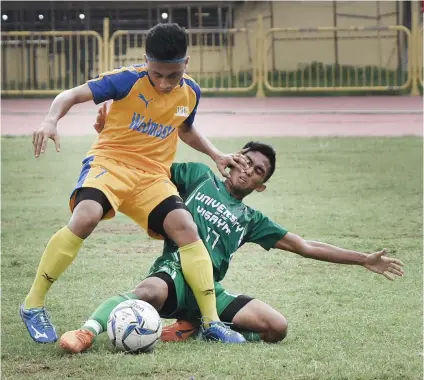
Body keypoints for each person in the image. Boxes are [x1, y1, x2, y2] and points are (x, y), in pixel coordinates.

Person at [59, 135, 404, 352]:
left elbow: (304, 246)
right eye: (247, 161)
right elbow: (149, 167)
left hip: (212, 290)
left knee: (276, 328)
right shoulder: (197, 176)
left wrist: (362, 259)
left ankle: (198, 329)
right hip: (175, 274)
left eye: (258, 172)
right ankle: (87, 331)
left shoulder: (252, 220)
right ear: (234, 158)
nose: (248, 170)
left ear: (261, 186)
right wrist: (106, 133)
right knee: (147, 292)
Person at [20, 23, 248, 344]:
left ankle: (211, 322)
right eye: (157, 74)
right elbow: (70, 95)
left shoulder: (191, 91)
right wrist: (50, 119)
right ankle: (33, 305)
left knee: (185, 228)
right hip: (110, 163)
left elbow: (184, 129)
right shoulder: (127, 80)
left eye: (173, 75)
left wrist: (216, 154)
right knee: (85, 218)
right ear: (146, 61)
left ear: (186, 63)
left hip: (153, 176)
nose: (165, 83)